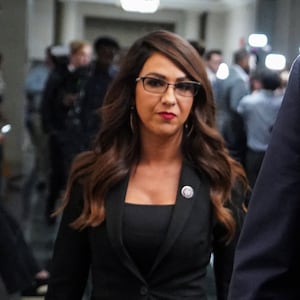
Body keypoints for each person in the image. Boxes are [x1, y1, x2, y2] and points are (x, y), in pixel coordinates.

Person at [45, 30, 248, 300]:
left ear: (195, 98)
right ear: (131, 90)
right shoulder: (92, 174)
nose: (169, 98)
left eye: (184, 86)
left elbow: (235, 285)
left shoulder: (219, 177)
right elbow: (64, 284)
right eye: (155, 82)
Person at [228, 55, 300, 299]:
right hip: (275, 155)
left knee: (257, 194)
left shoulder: (248, 102)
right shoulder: (280, 101)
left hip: (256, 152)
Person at [41, 40, 92, 225]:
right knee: (58, 173)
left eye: (88, 56)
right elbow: (47, 101)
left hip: (79, 133)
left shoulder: (87, 75)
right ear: (74, 55)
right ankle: (50, 210)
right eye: (83, 55)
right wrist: (51, 127)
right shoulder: (59, 74)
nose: (86, 59)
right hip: (60, 130)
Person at [237, 69, 283, 188]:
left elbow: (239, 112)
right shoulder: (282, 103)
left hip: (254, 151)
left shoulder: (249, 102)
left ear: (261, 83)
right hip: (274, 152)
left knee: (251, 184)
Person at [215, 48, 251, 164]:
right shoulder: (239, 79)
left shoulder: (226, 74)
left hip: (221, 119)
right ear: (244, 60)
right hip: (232, 124)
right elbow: (236, 106)